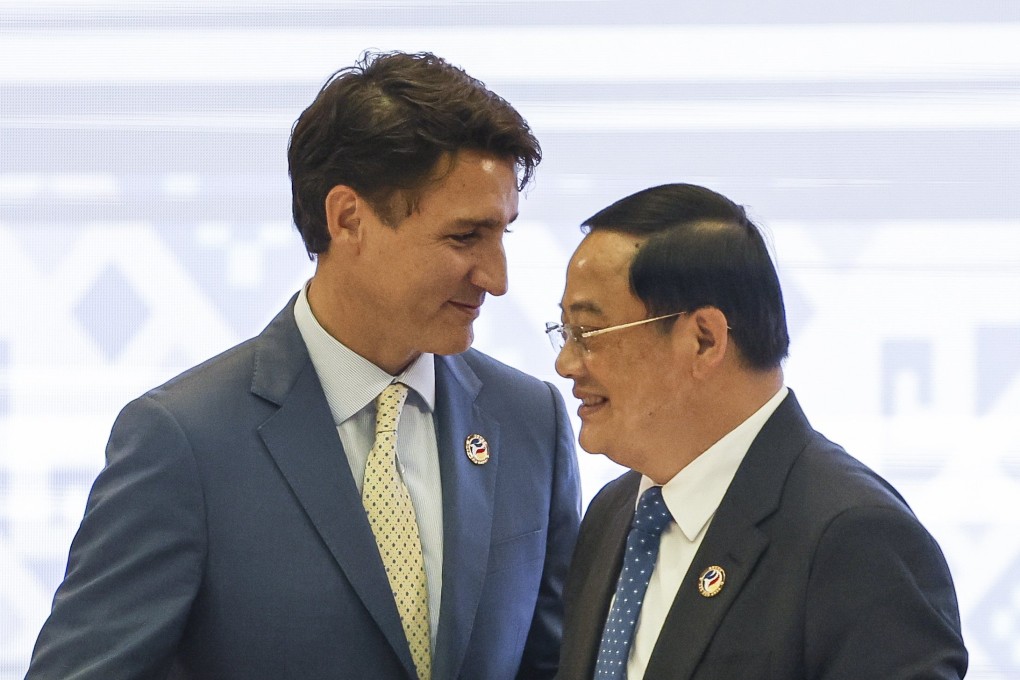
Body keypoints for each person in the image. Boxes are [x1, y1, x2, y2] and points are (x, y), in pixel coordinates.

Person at [27, 51, 580, 680]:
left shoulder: (530, 420)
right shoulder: (184, 441)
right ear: (348, 218)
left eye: (503, 233)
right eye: (464, 237)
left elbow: (556, 664)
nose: (497, 278)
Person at [549, 183, 967, 679]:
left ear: (704, 339)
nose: (565, 362)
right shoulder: (614, 515)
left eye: (588, 333)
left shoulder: (854, 536)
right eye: (564, 332)